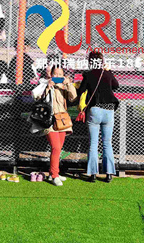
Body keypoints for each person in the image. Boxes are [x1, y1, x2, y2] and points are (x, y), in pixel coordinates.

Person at [30, 63, 78, 186]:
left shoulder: (64, 86)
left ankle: (55, 172)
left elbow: (73, 98)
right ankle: (54, 175)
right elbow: (36, 97)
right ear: (51, 74)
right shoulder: (45, 84)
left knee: (59, 148)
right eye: (55, 74)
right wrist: (48, 87)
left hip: (62, 120)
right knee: (55, 147)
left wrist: (68, 84)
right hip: (50, 121)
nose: (58, 76)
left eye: (60, 74)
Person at [77, 52, 119, 183]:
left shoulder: (88, 75)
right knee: (107, 143)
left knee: (93, 143)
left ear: (90, 62)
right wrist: (109, 71)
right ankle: (109, 173)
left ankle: (93, 174)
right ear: (101, 62)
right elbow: (116, 86)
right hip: (109, 110)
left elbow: (80, 91)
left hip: (95, 109)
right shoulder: (107, 74)